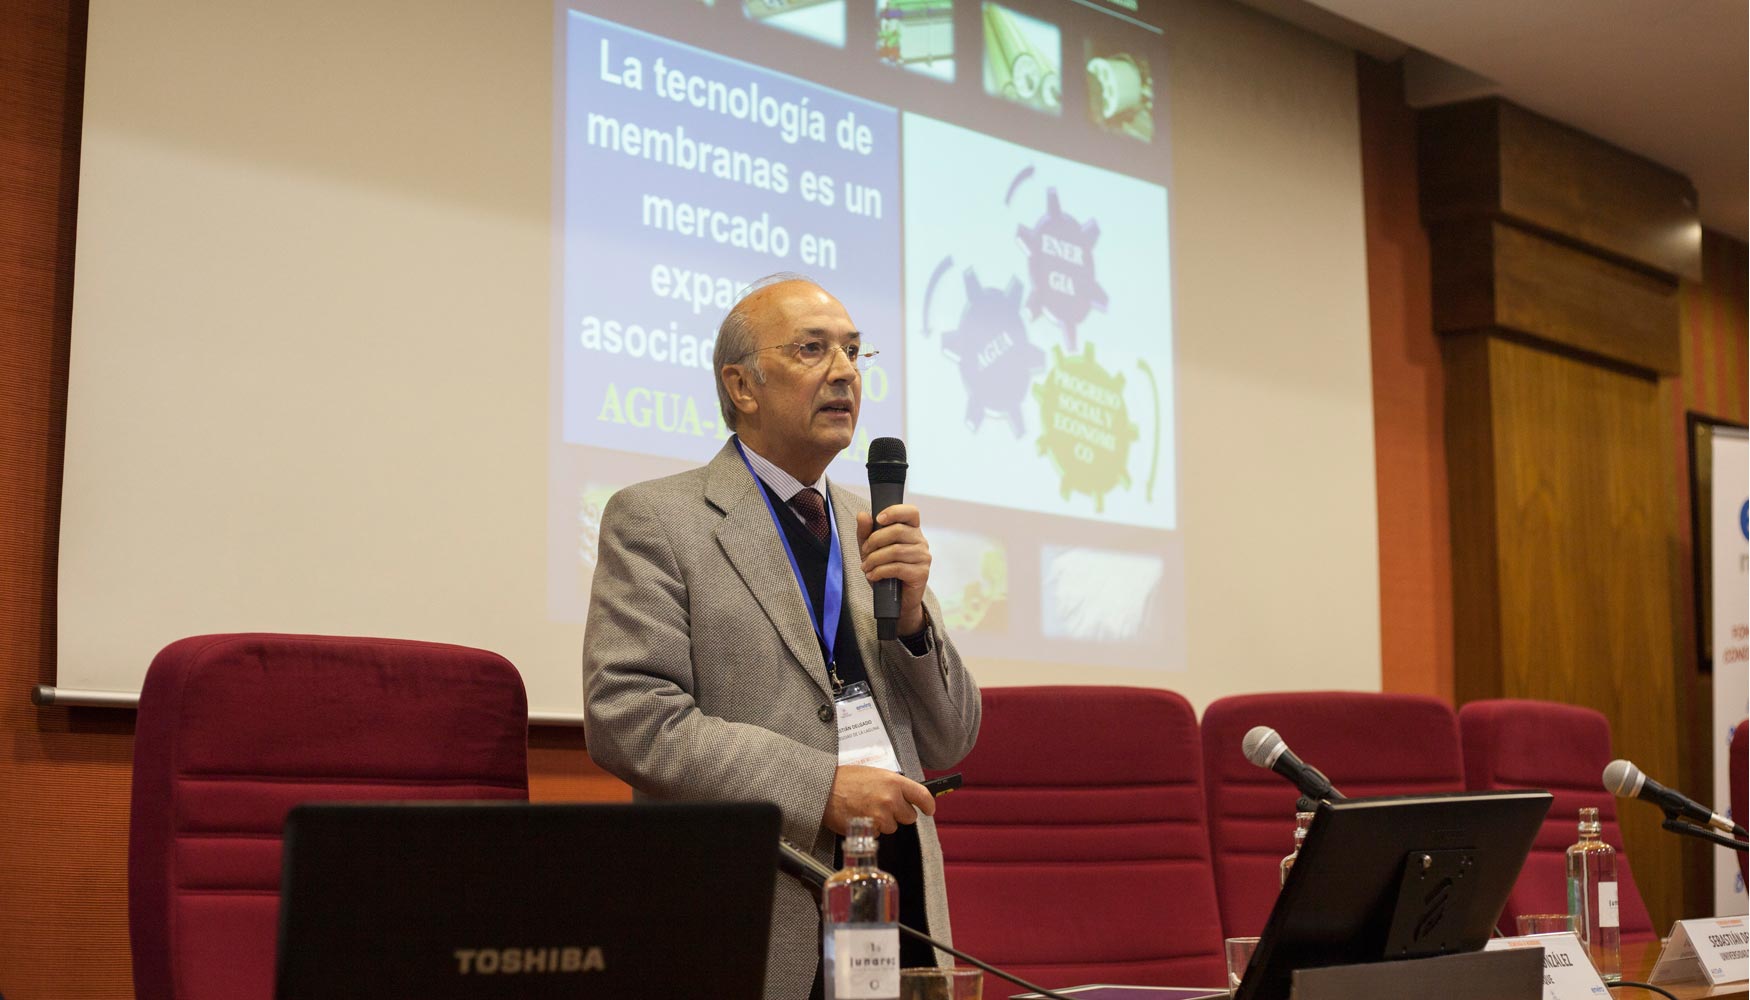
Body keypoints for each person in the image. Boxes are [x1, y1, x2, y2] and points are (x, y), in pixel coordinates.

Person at [582, 273, 982, 1000]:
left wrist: (916, 622)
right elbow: (630, 717)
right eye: (812, 349)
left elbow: (950, 739)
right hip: (755, 912)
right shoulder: (659, 521)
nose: (845, 373)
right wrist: (820, 786)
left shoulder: (875, 525)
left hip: (899, 899)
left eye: (855, 352)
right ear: (742, 385)